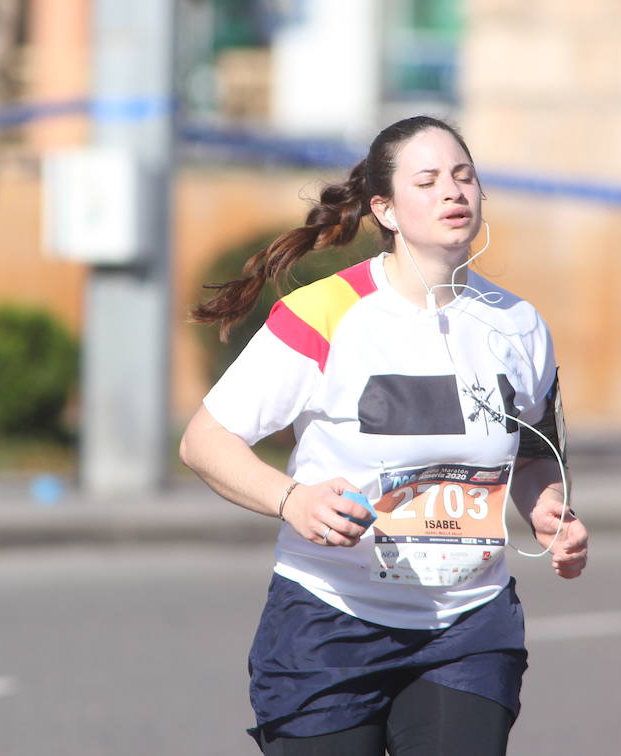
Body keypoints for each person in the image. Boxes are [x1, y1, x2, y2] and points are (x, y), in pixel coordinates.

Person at [181, 116, 589, 755]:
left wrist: (547, 509)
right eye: (426, 182)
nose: (453, 193)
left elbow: (535, 445)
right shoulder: (324, 313)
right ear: (386, 210)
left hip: (467, 627)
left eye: (463, 177)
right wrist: (294, 500)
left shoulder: (518, 324)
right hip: (329, 624)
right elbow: (206, 440)